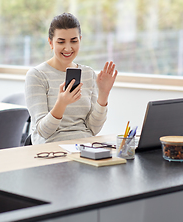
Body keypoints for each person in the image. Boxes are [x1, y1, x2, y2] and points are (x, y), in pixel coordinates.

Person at [25, 13, 118, 145]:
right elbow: (43, 132)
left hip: (85, 146)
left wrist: (103, 95)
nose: (68, 48)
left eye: (74, 41)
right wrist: (61, 104)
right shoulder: (36, 75)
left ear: (80, 39)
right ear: (51, 42)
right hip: (52, 149)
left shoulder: (88, 73)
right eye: (61, 42)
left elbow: (93, 129)